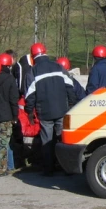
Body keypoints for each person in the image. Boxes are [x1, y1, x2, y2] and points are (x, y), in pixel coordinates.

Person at [25, 42, 78, 176]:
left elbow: (30, 95)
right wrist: (72, 104)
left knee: (47, 141)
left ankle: (48, 170)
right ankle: (66, 167)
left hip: (45, 112)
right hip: (62, 109)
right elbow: (70, 87)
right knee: (63, 139)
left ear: (33, 57)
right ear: (45, 52)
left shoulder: (32, 72)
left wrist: (29, 111)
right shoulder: (58, 67)